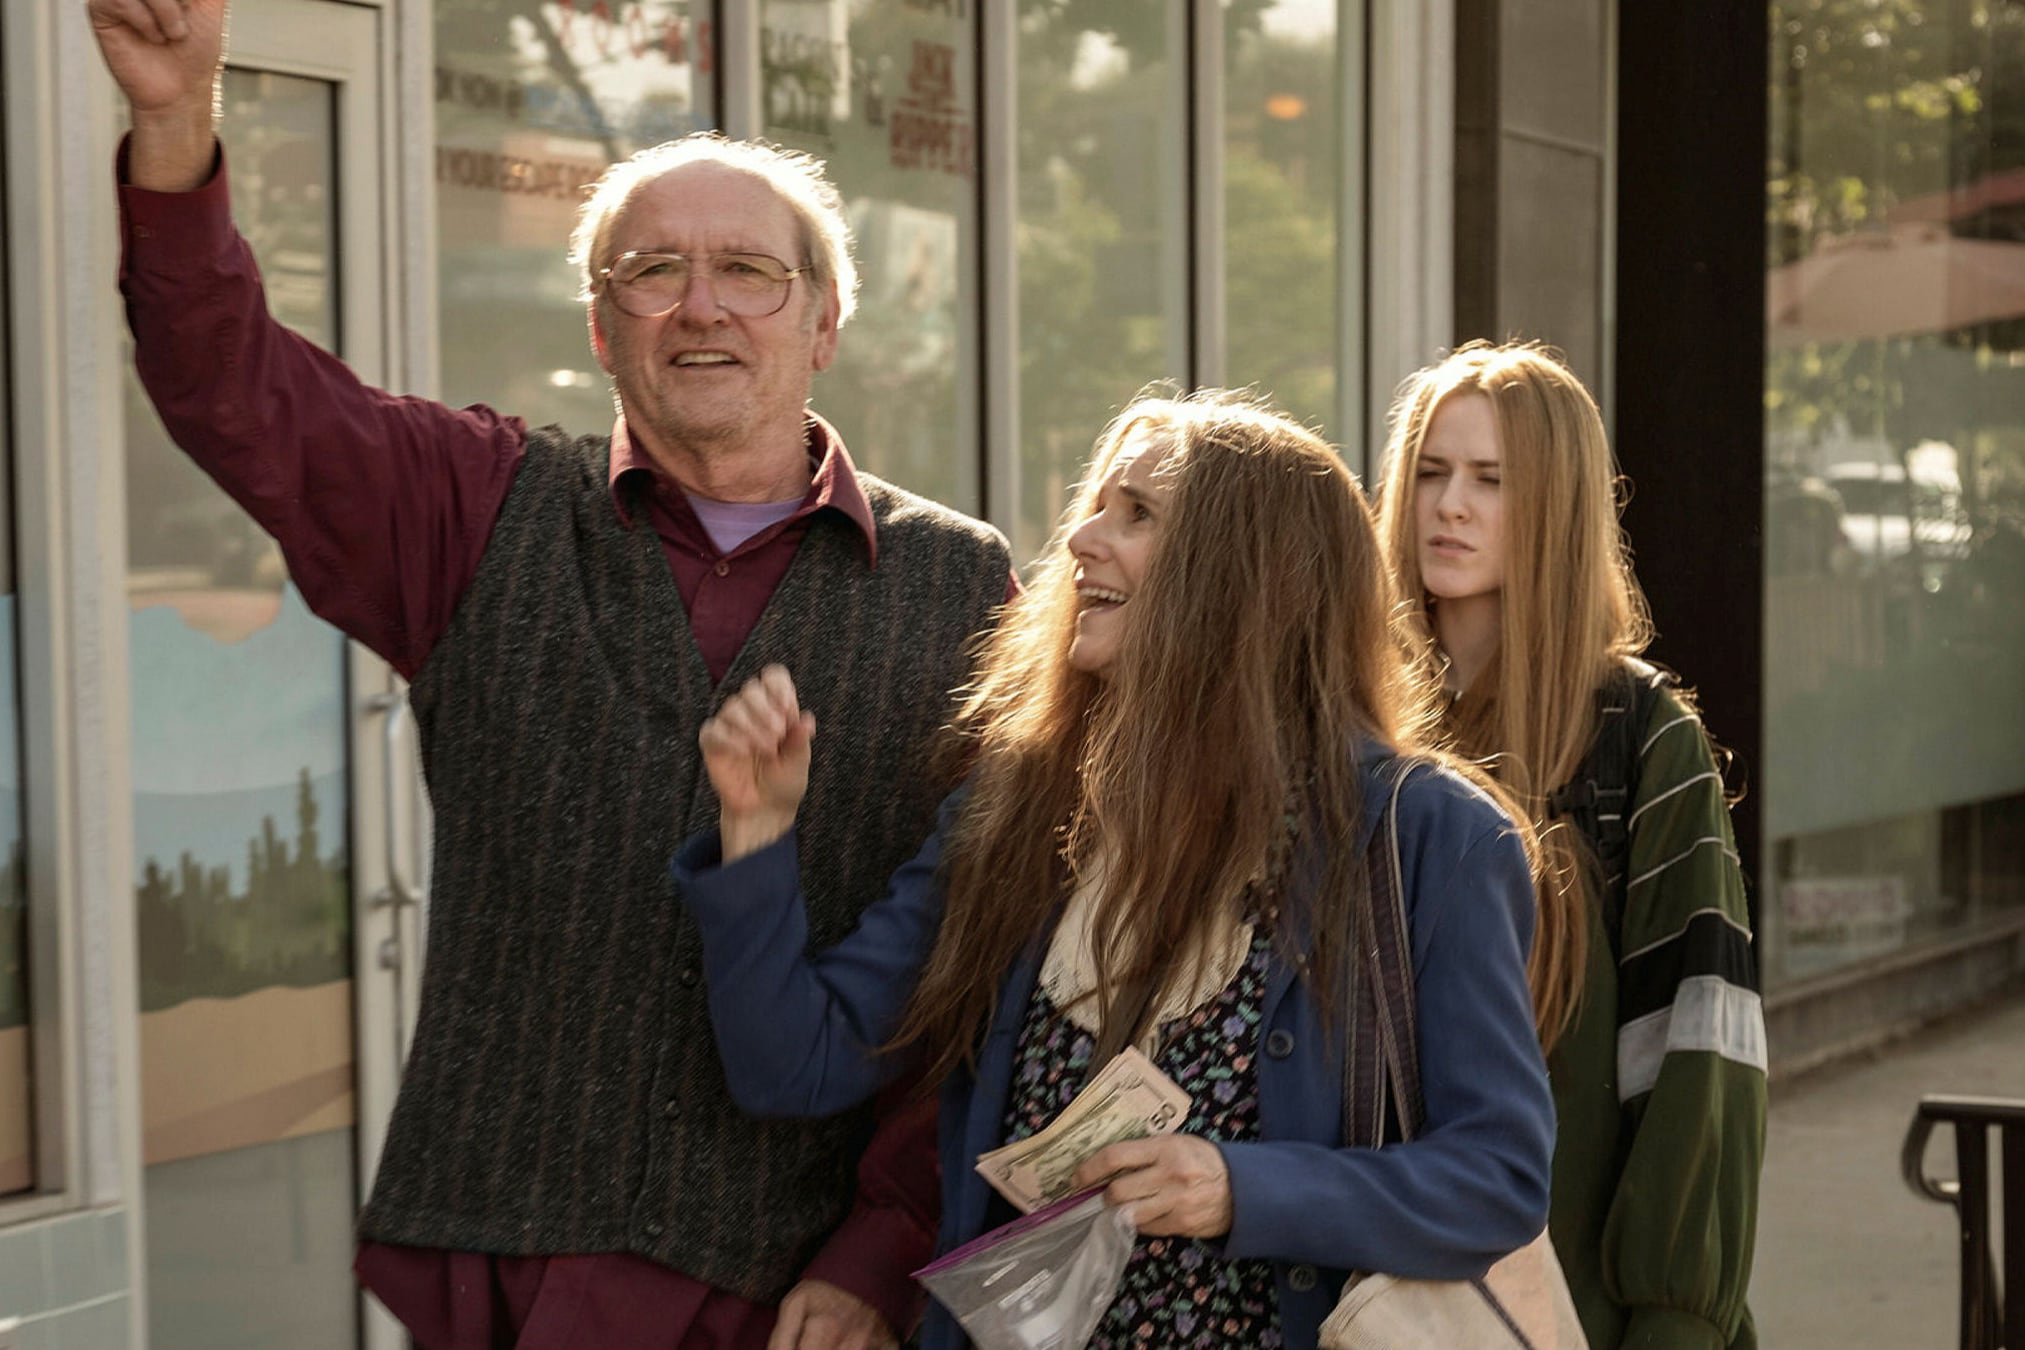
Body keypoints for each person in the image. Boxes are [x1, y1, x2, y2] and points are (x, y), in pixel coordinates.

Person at [92, 1, 1012, 1346]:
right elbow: (231, 389)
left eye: (749, 270)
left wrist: (885, 1242)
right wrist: (176, 121)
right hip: (509, 1269)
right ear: (600, 323)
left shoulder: (963, 583)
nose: (700, 304)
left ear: (824, 322)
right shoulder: (475, 505)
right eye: (653, 269)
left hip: (789, 1292)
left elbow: (975, 959)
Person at [674, 390, 1556, 1350]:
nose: (1081, 539)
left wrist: (1238, 1189)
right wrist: (754, 835)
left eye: (1137, 513)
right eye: (1097, 504)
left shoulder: (1431, 837)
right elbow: (793, 1064)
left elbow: (1497, 1178)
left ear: (1244, 576)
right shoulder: (1016, 807)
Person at [1374, 340, 1767, 1350]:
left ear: (1556, 506)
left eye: (1490, 481)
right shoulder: (1359, 723)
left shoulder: (1641, 739)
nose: (1450, 504)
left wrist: (1673, 1317)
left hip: (1575, 1303)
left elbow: (1700, 1055)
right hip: (1371, 1289)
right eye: (1430, 470)